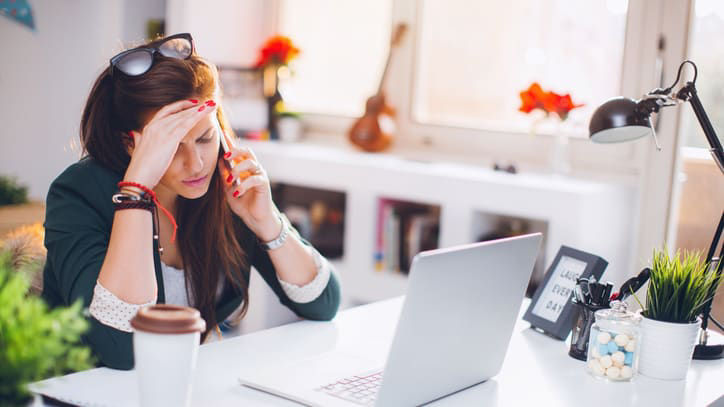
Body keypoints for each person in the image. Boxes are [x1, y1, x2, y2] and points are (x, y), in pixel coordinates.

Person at [41, 33, 341, 370]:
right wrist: (136, 192)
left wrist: (266, 220)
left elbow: (323, 303)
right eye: (171, 146)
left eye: (205, 138)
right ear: (131, 144)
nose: (197, 164)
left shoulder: (227, 185)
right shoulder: (77, 192)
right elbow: (120, 351)